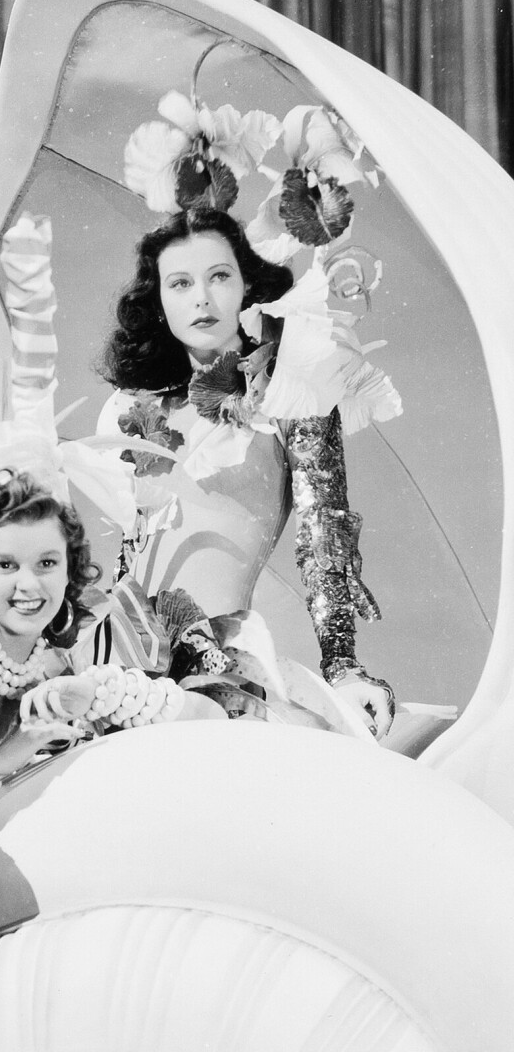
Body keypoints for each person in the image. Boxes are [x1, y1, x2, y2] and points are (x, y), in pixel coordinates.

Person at [98, 188, 397, 738]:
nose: (201, 299)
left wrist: (343, 667)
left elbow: (323, 538)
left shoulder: (295, 396)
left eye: (219, 277)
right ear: (158, 302)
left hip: (225, 672)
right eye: (180, 283)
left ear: (247, 286)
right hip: (125, 665)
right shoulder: (130, 408)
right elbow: (128, 551)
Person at [0, 468, 224, 822]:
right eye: (5, 564)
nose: (28, 584)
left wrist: (97, 693)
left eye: (46, 563)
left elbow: (212, 719)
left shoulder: (66, 660)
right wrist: (11, 752)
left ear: (70, 569)